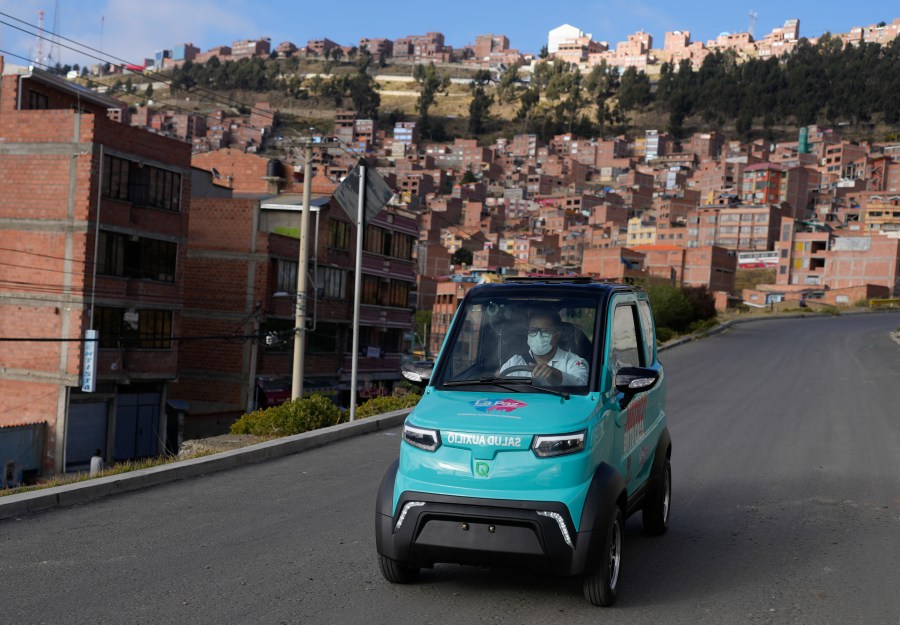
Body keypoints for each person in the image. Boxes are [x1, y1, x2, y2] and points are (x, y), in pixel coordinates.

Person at [499, 309, 589, 386]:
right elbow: (500, 390)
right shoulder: (514, 363)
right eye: (533, 330)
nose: (538, 336)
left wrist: (557, 375)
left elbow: (582, 385)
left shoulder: (573, 362)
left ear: (557, 336)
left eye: (545, 331)